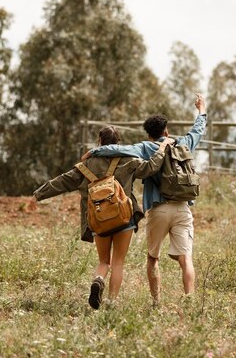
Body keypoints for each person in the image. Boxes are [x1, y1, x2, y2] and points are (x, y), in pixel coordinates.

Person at [29, 126, 173, 309]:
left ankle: (98, 279)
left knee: (104, 261)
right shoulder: (128, 160)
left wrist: (38, 195)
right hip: (124, 219)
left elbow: (62, 181)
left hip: (98, 220)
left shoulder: (86, 165)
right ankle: (111, 302)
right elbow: (151, 167)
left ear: (99, 142)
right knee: (118, 262)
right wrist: (162, 148)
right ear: (118, 142)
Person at [83, 94, 207, 305]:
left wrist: (95, 150)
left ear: (149, 134)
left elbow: (119, 149)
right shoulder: (184, 143)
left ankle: (156, 301)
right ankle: (190, 301)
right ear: (166, 130)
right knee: (186, 260)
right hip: (183, 208)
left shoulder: (146, 147)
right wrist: (201, 109)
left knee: (153, 259)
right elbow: (198, 129)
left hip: (158, 209)